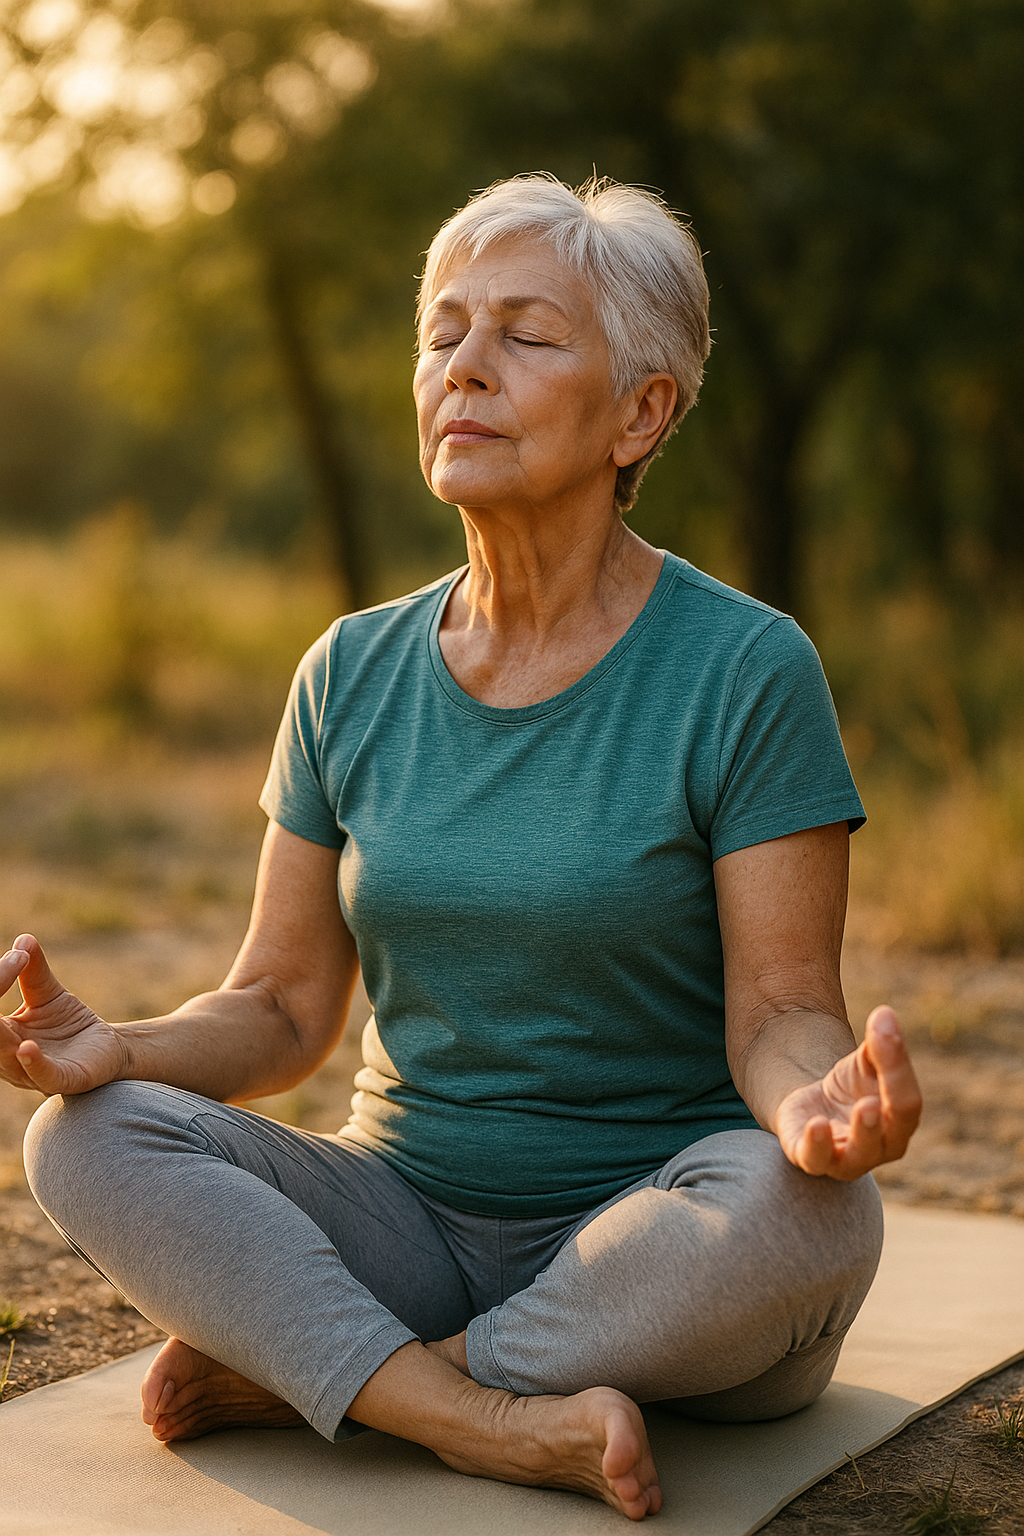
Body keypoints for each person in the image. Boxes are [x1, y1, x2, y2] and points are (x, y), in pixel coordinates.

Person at [0, 175, 921, 1522]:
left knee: (816, 1217)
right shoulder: (350, 669)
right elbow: (280, 1009)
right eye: (442, 335)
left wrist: (812, 1112)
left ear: (641, 411)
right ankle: (474, 1415)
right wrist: (119, 1048)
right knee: (80, 1140)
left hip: (658, 1244)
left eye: (527, 337)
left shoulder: (745, 667)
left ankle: (357, 1379)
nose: (464, 369)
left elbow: (782, 1013)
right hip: (409, 1229)